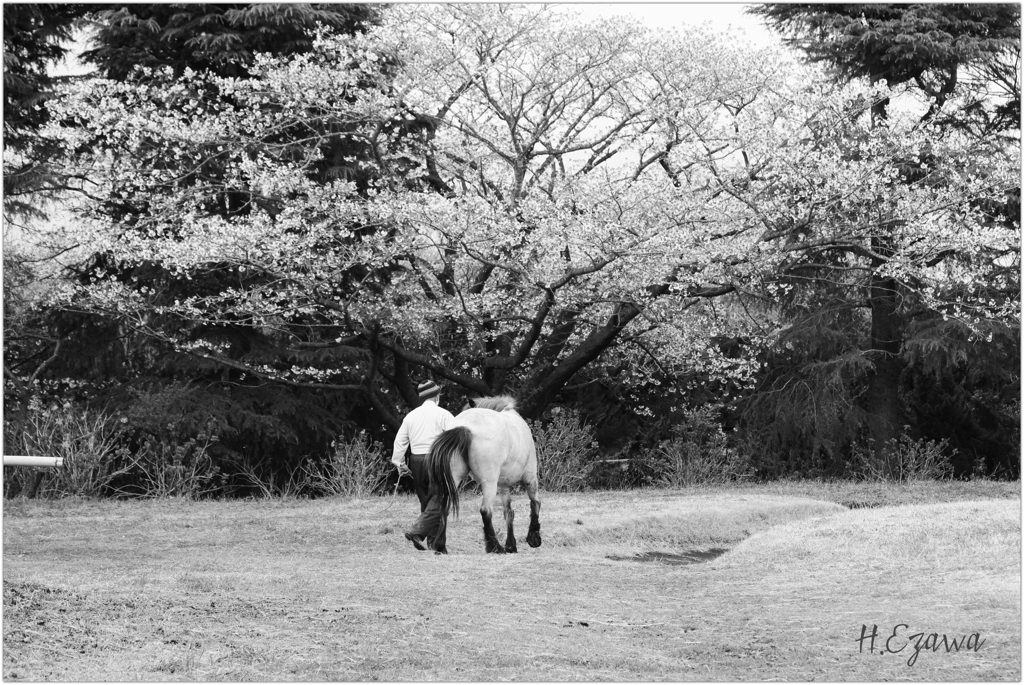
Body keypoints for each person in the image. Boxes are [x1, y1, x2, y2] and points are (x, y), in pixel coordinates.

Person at [391, 380, 454, 551]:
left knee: (427, 501)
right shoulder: (444, 415)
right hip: (436, 460)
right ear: (436, 396)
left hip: (416, 460)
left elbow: (400, 441)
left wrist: (399, 462)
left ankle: (435, 545)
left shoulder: (411, 416)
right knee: (440, 500)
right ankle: (417, 532)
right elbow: (455, 439)